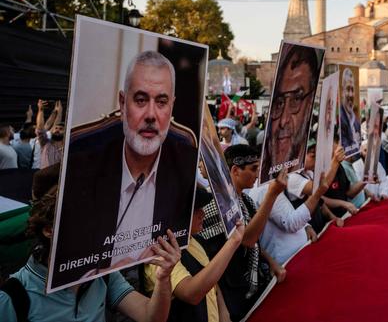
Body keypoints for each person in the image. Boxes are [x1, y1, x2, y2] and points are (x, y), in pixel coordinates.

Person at [53, 50, 199, 288]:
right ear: (122, 103)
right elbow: (64, 260)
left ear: (171, 107)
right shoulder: (80, 169)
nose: (151, 115)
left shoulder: (186, 162)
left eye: (161, 102)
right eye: (141, 100)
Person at [0, 187, 181, 322]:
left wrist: (163, 278)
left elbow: (150, 316)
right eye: (80, 223)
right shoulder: (14, 295)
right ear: (49, 230)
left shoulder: (102, 275)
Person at [144, 186, 244, 322]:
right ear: (177, 213)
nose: (203, 214)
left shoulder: (196, 240)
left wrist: (223, 313)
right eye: (195, 209)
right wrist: (233, 242)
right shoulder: (159, 254)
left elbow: (212, 281)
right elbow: (191, 293)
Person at [219, 144, 287, 320]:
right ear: (235, 170)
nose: (258, 174)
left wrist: (271, 262)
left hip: (249, 284)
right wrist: (271, 195)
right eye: (254, 168)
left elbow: (254, 241)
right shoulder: (220, 203)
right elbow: (247, 239)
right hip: (230, 290)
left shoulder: (246, 199)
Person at [262, 45, 320, 179]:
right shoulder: (260, 180)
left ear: (310, 104)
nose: (283, 121)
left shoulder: (307, 173)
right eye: (279, 102)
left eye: (296, 100)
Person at [35, 100, 64, 169]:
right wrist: (40, 110)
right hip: (43, 176)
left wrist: (56, 112)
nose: (57, 130)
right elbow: (40, 127)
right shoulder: (45, 143)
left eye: (61, 129)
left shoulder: (66, 149)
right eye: (56, 128)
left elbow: (48, 124)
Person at [339, 68, 362, 155]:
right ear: (342, 91)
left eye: (353, 90)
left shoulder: (356, 121)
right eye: (348, 89)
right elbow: (345, 150)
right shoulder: (340, 119)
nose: (351, 94)